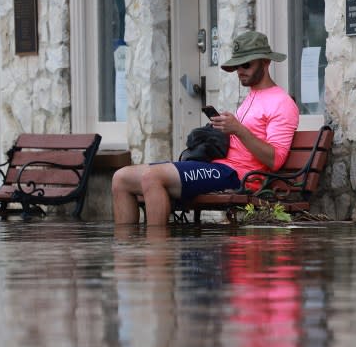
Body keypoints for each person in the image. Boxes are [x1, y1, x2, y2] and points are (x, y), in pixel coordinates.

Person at [111, 31, 300, 226]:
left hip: (238, 176)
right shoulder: (252, 97)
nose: (240, 71)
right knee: (121, 178)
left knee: (153, 177)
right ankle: (128, 253)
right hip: (216, 166)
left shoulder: (281, 103)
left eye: (246, 64)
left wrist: (239, 130)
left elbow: (275, 159)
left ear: (265, 62)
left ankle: (158, 252)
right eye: (237, 66)